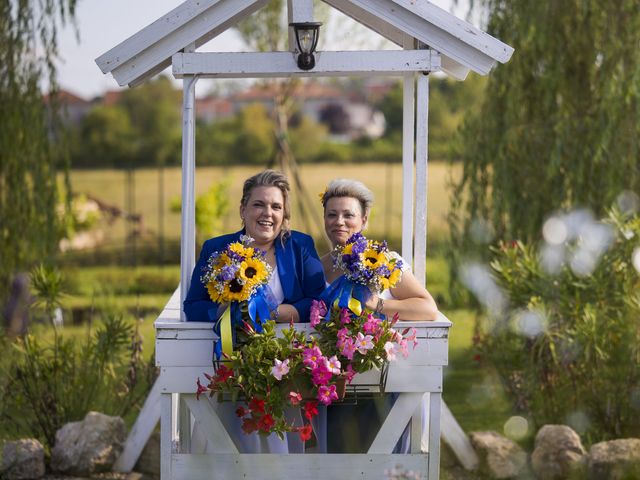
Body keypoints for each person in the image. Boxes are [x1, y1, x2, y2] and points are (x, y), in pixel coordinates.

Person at [183, 169, 326, 453]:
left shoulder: (300, 245)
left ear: (284, 214)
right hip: (235, 364)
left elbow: (319, 300)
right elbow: (193, 307)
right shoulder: (217, 249)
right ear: (243, 209)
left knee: (287, 452)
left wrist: (287, 311)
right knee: (235, 450)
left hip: (287, 369)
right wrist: (225, 308)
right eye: (258, 204)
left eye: (276, 206)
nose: (267, 213)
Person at [319, 178, 438, 453]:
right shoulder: (318, 267)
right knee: (339, 458)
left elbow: (427, 308)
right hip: (335, 383)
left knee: (382, 456)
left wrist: (376, 304)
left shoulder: (382, 260)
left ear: (363, 219)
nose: (339, 221)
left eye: (348, 214)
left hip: (382, 378)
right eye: (332, 214)